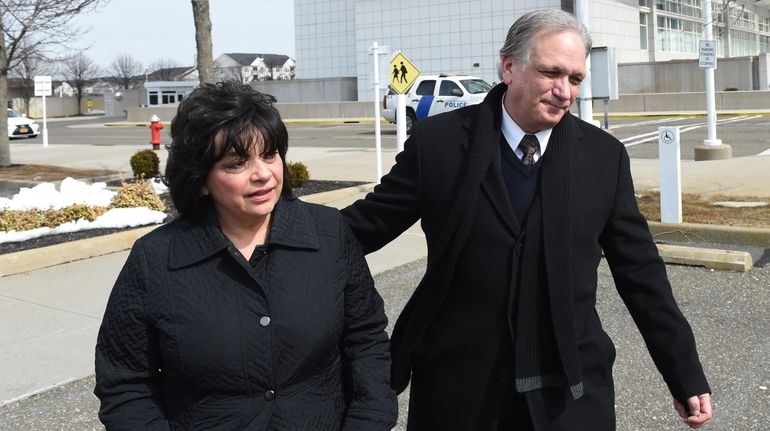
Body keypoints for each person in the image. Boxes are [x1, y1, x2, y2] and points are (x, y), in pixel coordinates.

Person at [341, 9, 712, 430]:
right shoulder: (439, 144)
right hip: (458, 393)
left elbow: (640, 272)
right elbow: (364, 227)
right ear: (509, 67)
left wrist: (683, 371)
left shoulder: (603, 158)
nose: (564, 91)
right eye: (551, 72)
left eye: (575, 79)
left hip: (568, 398)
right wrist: (273, 231)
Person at [94, 81, 397, 430]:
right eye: (237, 163)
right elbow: (124, 383)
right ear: (202, 179)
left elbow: (366, 341)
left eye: (270, 154)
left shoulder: (329, 234)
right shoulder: (156, 259)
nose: (263, 174)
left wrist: (367, 422)